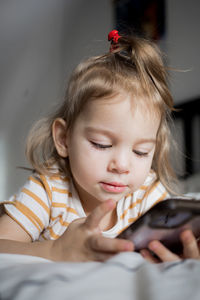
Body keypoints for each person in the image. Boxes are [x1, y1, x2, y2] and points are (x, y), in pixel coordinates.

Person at [0, 30, 199, 263]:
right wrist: (54, 251)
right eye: (101, 144)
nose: (122, 166)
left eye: (140, 152)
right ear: (64, 139)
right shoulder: (49, 191)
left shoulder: (146, 193)